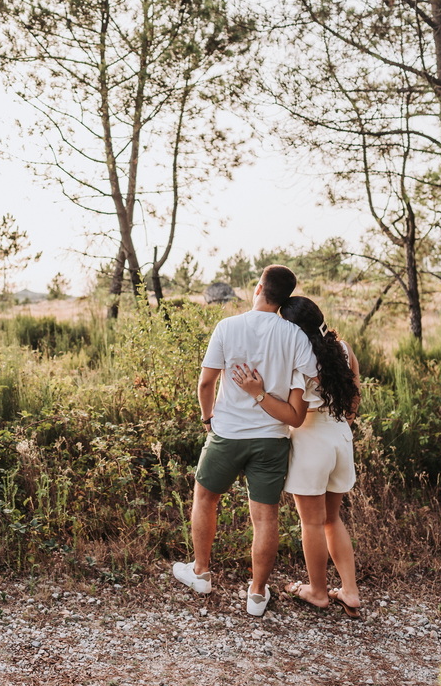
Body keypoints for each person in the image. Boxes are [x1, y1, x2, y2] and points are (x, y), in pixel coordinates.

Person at [172, 265, 317, 617]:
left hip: (228, 434)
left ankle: (201, 573)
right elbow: (309, 381)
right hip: (272, 438)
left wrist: (208, 417)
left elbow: (206, 383)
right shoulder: (296, 336)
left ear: (258, 288)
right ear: (286, 297)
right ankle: (256, 593)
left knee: (205, 498)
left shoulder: (228, 327)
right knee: (265, 517)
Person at [231, 295, 362, 618]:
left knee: (312, 522)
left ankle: (317, 592)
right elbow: (354, 398)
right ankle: (350, 591)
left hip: (311, 444)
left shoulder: (300, 362)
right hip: (341, 439)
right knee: (332, 519)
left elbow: (295, 416)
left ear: (292, 329)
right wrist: (341, 425)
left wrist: (257, 394)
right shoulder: (344, 350)